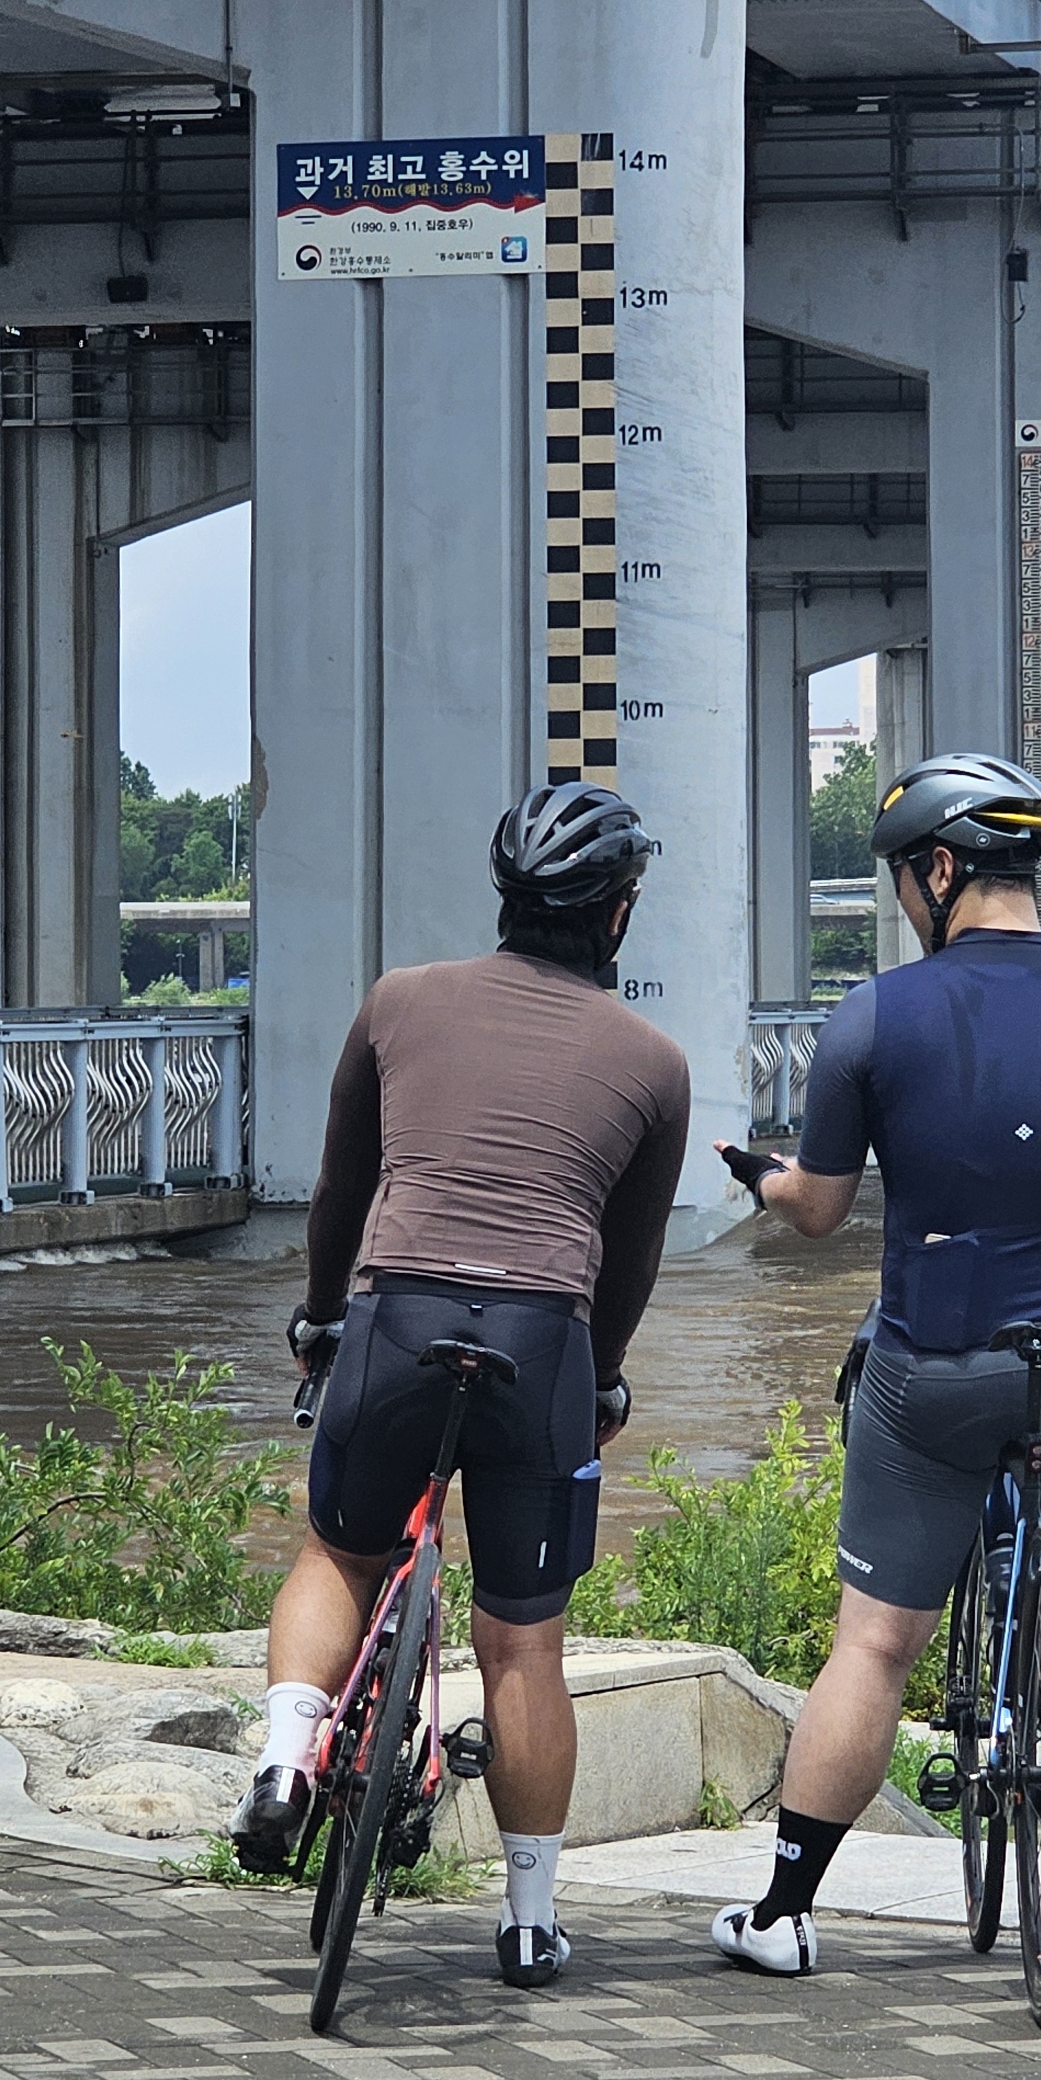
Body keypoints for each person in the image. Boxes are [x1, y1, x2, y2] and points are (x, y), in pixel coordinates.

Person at [705, 752, 1041, 1979]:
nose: (905, 899)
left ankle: (783, 1914)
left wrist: (766, 1178)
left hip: (930, 1373)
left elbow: (819, 1211)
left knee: (873, 1645)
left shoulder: (872, 1018)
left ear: (940, 869)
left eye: (904, 876)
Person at [228, 780, 691, 1992]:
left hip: (398, 1318)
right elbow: (627, 1259)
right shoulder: (653, 1062)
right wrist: (602, 1379)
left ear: (504, 896)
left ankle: (283, 1757)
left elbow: (340, 1190)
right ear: (618, 913)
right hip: (542, 1343)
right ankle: (529, 1919)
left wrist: (321, 1319)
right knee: (521, 1642)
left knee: (341, 1551)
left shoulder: (399, 1000)